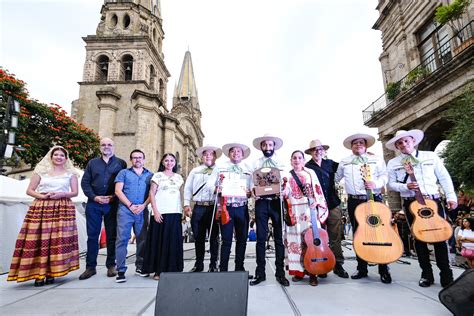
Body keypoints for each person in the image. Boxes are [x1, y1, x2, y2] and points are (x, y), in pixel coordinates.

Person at [386, 129, 456, 287]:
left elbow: (443, 176)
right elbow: (391, 184)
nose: (404, 144)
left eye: (406, 141)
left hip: (433, 200)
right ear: (397, 146)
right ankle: (426, 274)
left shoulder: (429, 156)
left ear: (413, 141)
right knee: (419, 239)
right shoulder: (393, 163)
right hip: (411, 203)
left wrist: (451, 196)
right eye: (399, 143)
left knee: (440, 237)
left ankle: (446, 274)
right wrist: (405, 186)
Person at [8, 146, 80, 286]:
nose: (59, 157)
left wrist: (62, 194)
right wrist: (43, 196)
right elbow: (30, 190)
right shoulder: (41, 172)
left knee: (57, 241)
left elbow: (75, 192)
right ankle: (38, 273)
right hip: (42, 206)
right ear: (51, 157)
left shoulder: (71, 174)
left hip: (62, 208)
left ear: (66, 158)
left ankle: (52, 272)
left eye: (62, 155)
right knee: (39, 239)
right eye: (56, 155)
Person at [335, 133, 392, 284]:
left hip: (373, 199)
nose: (358, 145)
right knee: (358, 234)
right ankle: (362, 268)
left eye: (361, 143)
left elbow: (385, 176)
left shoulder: (376, 159)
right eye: (355, 143)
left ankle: (383, 268)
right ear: (351, 146)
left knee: (379, 233)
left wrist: (377, 184)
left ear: (366, 145)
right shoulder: (344, 162)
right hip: (354, 201)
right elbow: (335, 178)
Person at [79, 138, 127, 280]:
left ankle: (111, 265)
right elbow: (85, 182)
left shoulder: (121, 163)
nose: (107, 147)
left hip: (112, 204)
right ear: (100, 147)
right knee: (92, 236)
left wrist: (113, 197)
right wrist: (95, 197)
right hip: (94, 204)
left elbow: (123, 183)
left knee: (112, 236)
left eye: (110, 145)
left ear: (114, 147)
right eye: (104, 145)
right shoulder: (92, 163)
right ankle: (90, 267)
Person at [282, 150, 329, 286]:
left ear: (303, 160)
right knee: (294, 241)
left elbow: (317, 189)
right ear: (291, 160)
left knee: (311, 239)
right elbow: (286, 192)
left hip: (309, 210)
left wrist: (317, 201)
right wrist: (283, 192)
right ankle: (298, 271)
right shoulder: (286, 175)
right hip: (293, 210)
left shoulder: (310, 173)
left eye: (299, 158)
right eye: (294, 158)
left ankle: (313, 272)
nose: (297, 160)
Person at [305, 139, 349, 278]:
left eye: (320, 149)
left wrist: (366, 156)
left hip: (332, 203)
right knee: (318, 236)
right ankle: (321, 264)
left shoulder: (330, 164)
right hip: (317, 207)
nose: (317, 151)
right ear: (311, 152)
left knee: (335, 235)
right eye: (314, 149)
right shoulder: (307, 167)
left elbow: (346, 167)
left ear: (324, 151)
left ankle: (338, 264)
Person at [250, 134, 289, 287]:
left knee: (278, 239)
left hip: (276, 202)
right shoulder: (255, 163)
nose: (267, 148)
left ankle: (280, 273)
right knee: (260, 239)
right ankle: (261, 273)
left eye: (270, 145)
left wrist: (284, 191)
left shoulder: (282, 163)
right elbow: (251, 183)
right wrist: (252, 191)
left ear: (274, 146)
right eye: (265, 145)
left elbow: (287, 183)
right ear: (261, 147)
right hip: (261, 203)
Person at [207, 142, 251, 274]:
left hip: (242, 207)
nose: (236, 153)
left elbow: (253, 187)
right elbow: (210, 185)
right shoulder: (220, 167)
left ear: (242, 155)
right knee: (226, 239)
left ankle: (239, 268)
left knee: (242, 239)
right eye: (233, 151)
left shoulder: (248, 168)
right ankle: (223, 269)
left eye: (239, 151)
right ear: (229, 153)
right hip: (227, 207)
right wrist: (218, 189)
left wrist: (250, 192)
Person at [142, 153, 184, 280]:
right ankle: (158, 271)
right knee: (159, 241)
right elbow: (152, 194)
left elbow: (180, 195)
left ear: (175, 163)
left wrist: (182, 210)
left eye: (172, 160)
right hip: (160, 213)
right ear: (162, 162)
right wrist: (155, 211)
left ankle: (173, 269)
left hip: (175, 213)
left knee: (173, 241)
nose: (169, 163)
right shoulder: (157, 176)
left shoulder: (179, 177)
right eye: (166, 160)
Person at [113, 149, 153, 283]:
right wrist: (130, 205)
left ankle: (140, 267)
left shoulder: (150, 175)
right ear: (131, 160)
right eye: (135, 158)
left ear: (144, 159)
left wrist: (143, 205)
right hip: (125, 210)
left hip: (142, 210)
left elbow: (152, 194)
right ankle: (120, 270)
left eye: (140, 157)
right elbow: (118, 191)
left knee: (142, 240)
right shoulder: (123, 173)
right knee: (122, 240)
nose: (137, 160)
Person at [184, 145, 222, 273]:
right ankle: (199, 264)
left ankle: (213, 264)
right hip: (199, 206)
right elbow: (188, 187)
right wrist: (186, 204)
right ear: (202, 157)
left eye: (211, 154)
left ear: (215, 157)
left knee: (214, 238)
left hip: (213, 206)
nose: (208, 156)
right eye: (205, 154)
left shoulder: (220, 171)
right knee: (198, 237)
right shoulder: (195, 171)